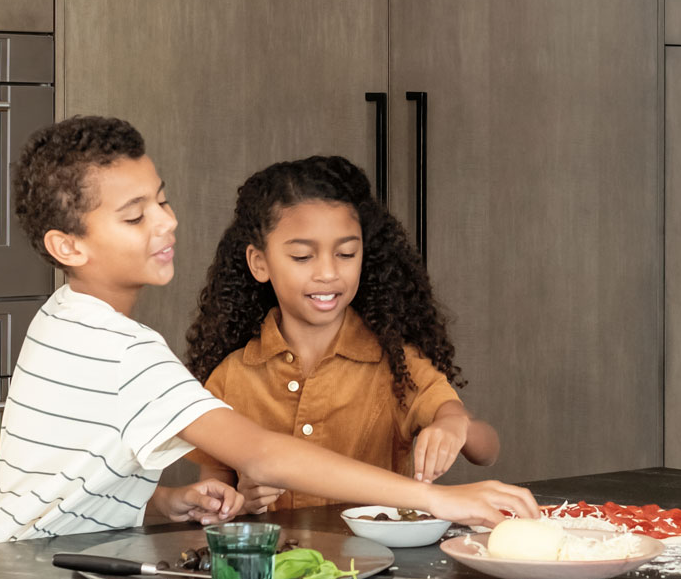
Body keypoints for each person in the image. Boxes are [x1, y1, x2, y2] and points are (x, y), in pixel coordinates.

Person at [0, 115, 538, 546]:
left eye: (162, 201)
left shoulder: (61, 317)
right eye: (135, 216)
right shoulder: (124, 351)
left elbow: (63, 483)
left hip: (8, 567)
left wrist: (165, 501)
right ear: (67, 247)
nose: (167, 222)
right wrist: (441, 500)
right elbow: (262, 455)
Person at [184, 156, 500, 510]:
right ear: (260, 263)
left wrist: (455, 424)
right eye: (302, 257)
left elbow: (486, 450)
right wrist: (241, 502)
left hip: (374, 547)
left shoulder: (397, 365)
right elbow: (213, 496)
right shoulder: (230, 377)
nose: (328, 273)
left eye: (346, 253)